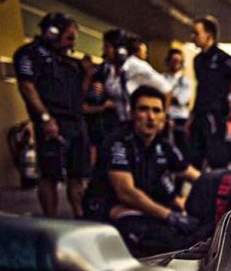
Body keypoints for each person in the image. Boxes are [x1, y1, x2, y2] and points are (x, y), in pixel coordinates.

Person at [85, 86, 200, 254]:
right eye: (143, 109)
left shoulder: (163, 145)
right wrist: (170, 216)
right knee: (167, 241)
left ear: (163, 116)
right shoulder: (118, 141)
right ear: (132, 113)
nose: (151, 117)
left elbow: (196, 176)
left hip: (144, 210)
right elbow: (126, 192)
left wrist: (224, 184)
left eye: (156, 111)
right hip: (109, 211)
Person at [13, 12, 93, 218]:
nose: (72, 43)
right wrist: (45, 118)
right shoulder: (29, 54)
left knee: (77, 174)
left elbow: (80, 94)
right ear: (52, 33)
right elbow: (27, 87)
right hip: (53, 121)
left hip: (76, 122)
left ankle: (80, 216)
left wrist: (87, 74)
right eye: (69, 37)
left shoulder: (69, 62)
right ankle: (50, 219)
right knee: (50, 175)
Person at [187, 15, 231, 169]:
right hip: (199, 115)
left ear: (209, 35)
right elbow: (200, 90)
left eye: (196, 33)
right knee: (195, 158)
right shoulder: (198, 60)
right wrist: (192, 116)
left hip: (215, 115)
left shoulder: (222, 58)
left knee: (216, 159)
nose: (192, 37)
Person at [163, 48, 193, 160]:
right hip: (165, 118)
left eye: (178, 61)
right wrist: (171, 97)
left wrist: (166, 96)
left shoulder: (186, 82)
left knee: (182, 151)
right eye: (173, 60)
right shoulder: (161, 78)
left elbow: (182, 100)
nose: (175, 63)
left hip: (180, 119)